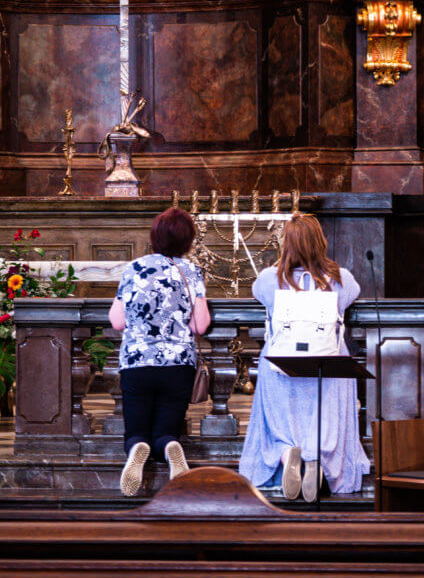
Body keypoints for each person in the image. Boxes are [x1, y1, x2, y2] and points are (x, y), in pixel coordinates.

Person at [239, 214, 370, 501]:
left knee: (279, 418)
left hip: (281, 362)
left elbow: (260, 296)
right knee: (325, 417)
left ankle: (288, 455)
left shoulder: (267, 281)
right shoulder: (342, 279)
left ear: (287, 244)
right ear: (320, 243)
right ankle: (315, 460)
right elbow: (349, 298)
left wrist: (282, 265)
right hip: (328, 363)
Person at [109, 207, 210, 497]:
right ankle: (168, 445)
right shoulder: (191, 270)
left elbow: (117, 321)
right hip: (178, 363)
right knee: (167, 428)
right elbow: (200, 325)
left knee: (136, 431)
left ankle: (137, 448)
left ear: (154, 236)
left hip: (137, 361)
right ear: (188, 240)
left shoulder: (134, 268)